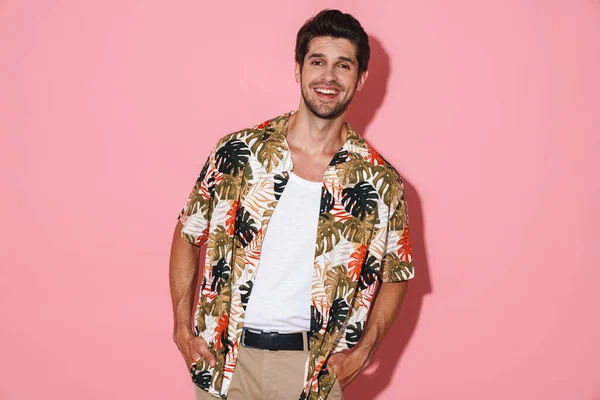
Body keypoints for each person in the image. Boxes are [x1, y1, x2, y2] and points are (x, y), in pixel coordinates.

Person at [169, 9, 414, 400]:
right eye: (317, 62)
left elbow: (397, 273)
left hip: (313, 374)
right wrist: (182, 327)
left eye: (343, 65)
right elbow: (188, 231)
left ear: (361, 78)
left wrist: (364, 352)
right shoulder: (239, 152)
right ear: (298, 70)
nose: (328, 77)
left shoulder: (380, 182)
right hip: (227, 364)